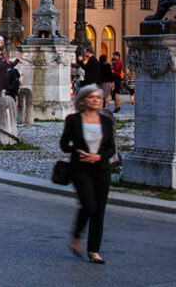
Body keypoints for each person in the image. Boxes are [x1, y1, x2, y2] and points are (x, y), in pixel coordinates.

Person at [60, 85, 116, 264]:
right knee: (89, 205)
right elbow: (64, 144)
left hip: (101, 169)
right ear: (83, 100)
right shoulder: (73, 120)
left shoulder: (106, 121)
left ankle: (94, 250)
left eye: (98, 97)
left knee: (99, 211)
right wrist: (77, 151)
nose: (96, 100)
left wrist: (99, 156)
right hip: (80, 169)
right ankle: (76, 235)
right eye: (92, 97)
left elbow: (111, 148)